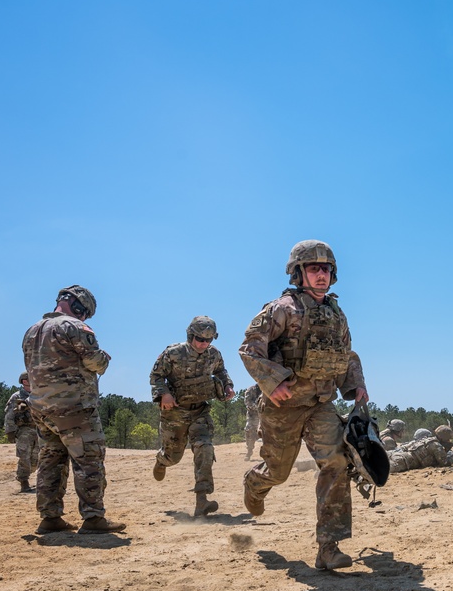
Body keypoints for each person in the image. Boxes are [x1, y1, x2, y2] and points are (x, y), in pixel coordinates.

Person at [239, 240, 368, 571]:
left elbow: (346, 355)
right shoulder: (281, 309)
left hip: (321, 403)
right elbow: (250, 349)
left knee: (336, 463)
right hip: (284, 406)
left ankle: (329, 546)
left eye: (326, 269)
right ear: (299, 273)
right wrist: (274, 381)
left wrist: (356, 386)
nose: (321, 275)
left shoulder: (336, 315)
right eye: (314, 268)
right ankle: (255, 483)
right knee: (279, 473)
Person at [21, 285, 125, 535]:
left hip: (41, 408)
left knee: (50, 462)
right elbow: (94, 362)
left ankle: (50, 517)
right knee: (88, 461)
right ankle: (93, 518)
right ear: (79, 306)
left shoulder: (31, 330)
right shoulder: (75, 327)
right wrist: (104, 358)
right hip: (74, 409)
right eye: (85, 313)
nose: (84, 318)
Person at [150, 316, 235, 517]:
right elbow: (155, 376)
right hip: (175, 413)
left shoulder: (213, 354)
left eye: (209, 340)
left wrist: (228, 385)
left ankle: (201, 501)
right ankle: (162, 460)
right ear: (190, 335)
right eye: (199, 339)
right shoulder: (173, 353)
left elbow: (221, 371)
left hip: (200, 410)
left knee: (204, 448)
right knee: (174, 456)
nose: (204, 344)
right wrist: (164, 394)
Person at [3, 372, 40, 493]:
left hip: (40, 430)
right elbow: (9, 415)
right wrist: (10, 431)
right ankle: (24, 481)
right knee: (24, 457)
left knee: (36, 459)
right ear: (24, 381)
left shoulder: (39, 395)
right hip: (24, 430)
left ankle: (25, 475)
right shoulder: (17, 396)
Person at [388, 425, 453, 473]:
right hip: (403, 461)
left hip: (399, 455)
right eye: (448, 439)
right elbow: (444, 463)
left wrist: (446, 450)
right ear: (444, 438)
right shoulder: (436, 445)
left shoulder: (429, 440)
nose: (449, 441)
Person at [243, 384, 262, 461]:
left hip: (266, 414)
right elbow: (248, 402)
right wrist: (259, 408)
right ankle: (249, 452)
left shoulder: (268, 387)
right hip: (253, 415)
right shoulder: (250, 390)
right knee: (249, 431)